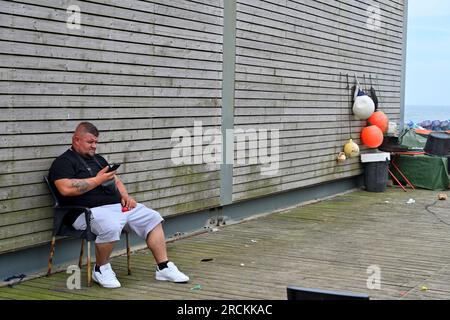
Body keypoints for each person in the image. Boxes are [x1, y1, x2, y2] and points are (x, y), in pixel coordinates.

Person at [48, 122, 189, 288]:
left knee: (152, 217)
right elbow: (65, 189)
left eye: (96, 142)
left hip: (115, 207)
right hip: (84, 212)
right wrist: (98, 179)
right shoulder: (63, 162)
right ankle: (100, 269)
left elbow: (116, 180)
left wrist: (125, 196)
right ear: (76, 140)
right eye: (90, 142)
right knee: (111, 225)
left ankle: (163, 267)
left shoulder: (98, 160)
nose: (94, 146)